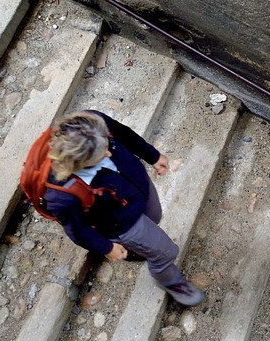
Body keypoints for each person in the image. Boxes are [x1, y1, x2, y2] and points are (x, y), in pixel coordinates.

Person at [43, 110, 205, 306]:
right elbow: (78, 231)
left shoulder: (95, 124)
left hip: (138, 190)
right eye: (100, 154)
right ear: (78, 164)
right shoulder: (63, 196)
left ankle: (138, 248)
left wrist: (152, 155)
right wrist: (107, 247)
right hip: (120, 224)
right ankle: (171, 281)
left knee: (154, 215)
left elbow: (125, 134)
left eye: (106, 143)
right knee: (165, 251)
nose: (109, 152)